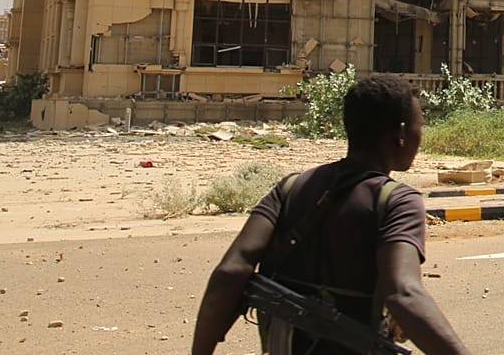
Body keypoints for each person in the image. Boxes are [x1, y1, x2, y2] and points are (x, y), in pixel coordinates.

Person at [191, 74, 472, 355]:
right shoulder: (396, 201)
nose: (420, 135)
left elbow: (230, 271)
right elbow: (404, 293)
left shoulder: (290, 188)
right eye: (419, 126)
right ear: (400, 133)